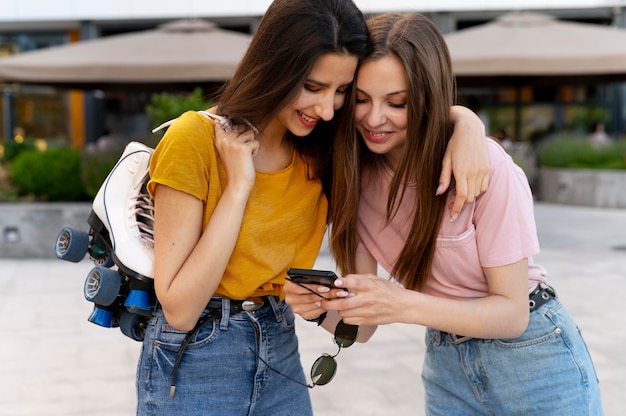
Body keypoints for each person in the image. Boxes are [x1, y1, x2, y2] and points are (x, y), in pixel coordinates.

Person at [138, 1, 489, 414]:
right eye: (313, 87)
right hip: (196, 358)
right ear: (274, 67)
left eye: (342, 92)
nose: (326, 110)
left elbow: (361, 329)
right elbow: (179, 309)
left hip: (279, 348)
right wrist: (237, 191)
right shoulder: (193, 139)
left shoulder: (326, 151)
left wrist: (467, 123)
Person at [286, 12, 604, 415]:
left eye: (396, 102)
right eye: (361, 99)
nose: (373, 118)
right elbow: (363, 327)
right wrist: (317, 309)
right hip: (446, 363)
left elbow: (511, 314)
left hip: (535, 360)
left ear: (426, 98)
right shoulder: (353, 180)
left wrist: (402, 303)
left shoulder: (483, 166)